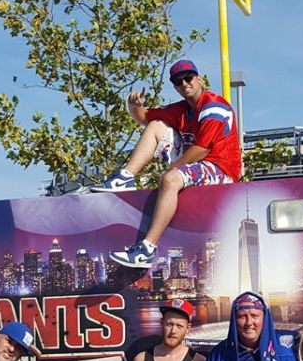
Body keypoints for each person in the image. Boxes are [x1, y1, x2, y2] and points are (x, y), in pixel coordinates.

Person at [92, 59, 241, 269]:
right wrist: (133, 107)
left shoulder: (213, 106)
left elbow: (203, 149)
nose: (184, 84)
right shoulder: (181, 109)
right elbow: (144, 118)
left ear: (199, 79)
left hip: (221, 167)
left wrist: (174, 168)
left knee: (170, 179)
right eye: (178, 82)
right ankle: (125, 177)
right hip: (197, 161)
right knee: (156, 125)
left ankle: (146, 249)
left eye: (188, 78)